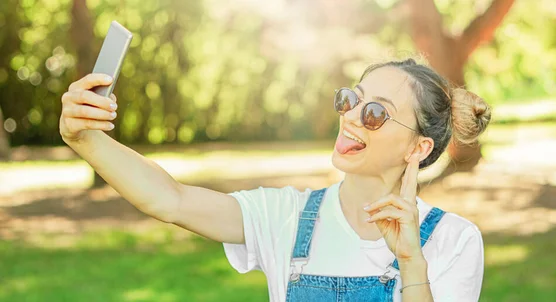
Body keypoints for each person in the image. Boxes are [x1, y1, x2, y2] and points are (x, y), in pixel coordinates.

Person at [60, 58, 491, 302]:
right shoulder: (286, 216)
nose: (351, 117)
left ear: (417, 149)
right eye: (350, 99)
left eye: (375, 112)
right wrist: (84, 140)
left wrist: (413, 264)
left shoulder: (454, 240)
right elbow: (169, 200)